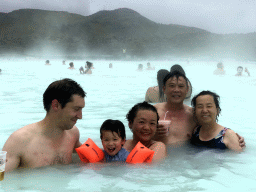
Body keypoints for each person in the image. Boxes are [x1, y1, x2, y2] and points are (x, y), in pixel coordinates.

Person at [2, 78, 86, 172]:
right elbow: (3, 179)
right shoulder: (19, 141)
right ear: (56, 105)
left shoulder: (73, 134)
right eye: (76, 109)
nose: (80, 116)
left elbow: (90, 160)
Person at [153, 71, 245, 147]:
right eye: (172, 86)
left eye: (181, 86)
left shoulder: (194, 115)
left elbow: (212, 128)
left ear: (187, 89)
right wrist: (153, 134)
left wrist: (232, 137)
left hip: (186, 163)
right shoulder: (153, 112)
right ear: (164, 89)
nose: (176, 90)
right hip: (158, 162)